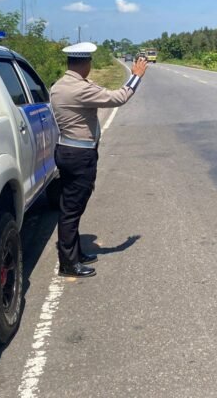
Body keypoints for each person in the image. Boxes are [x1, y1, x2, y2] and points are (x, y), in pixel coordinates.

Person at [50, 42, 148, 278]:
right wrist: (136, 76)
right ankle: (68, 263)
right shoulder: (78, 89)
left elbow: (99, 91)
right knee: (72, 210)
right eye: (90, 62)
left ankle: (75, 253)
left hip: (67, 151)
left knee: (72, 206)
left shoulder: (61, 85)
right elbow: (119, 97)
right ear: (85, 63)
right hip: (79, 155)